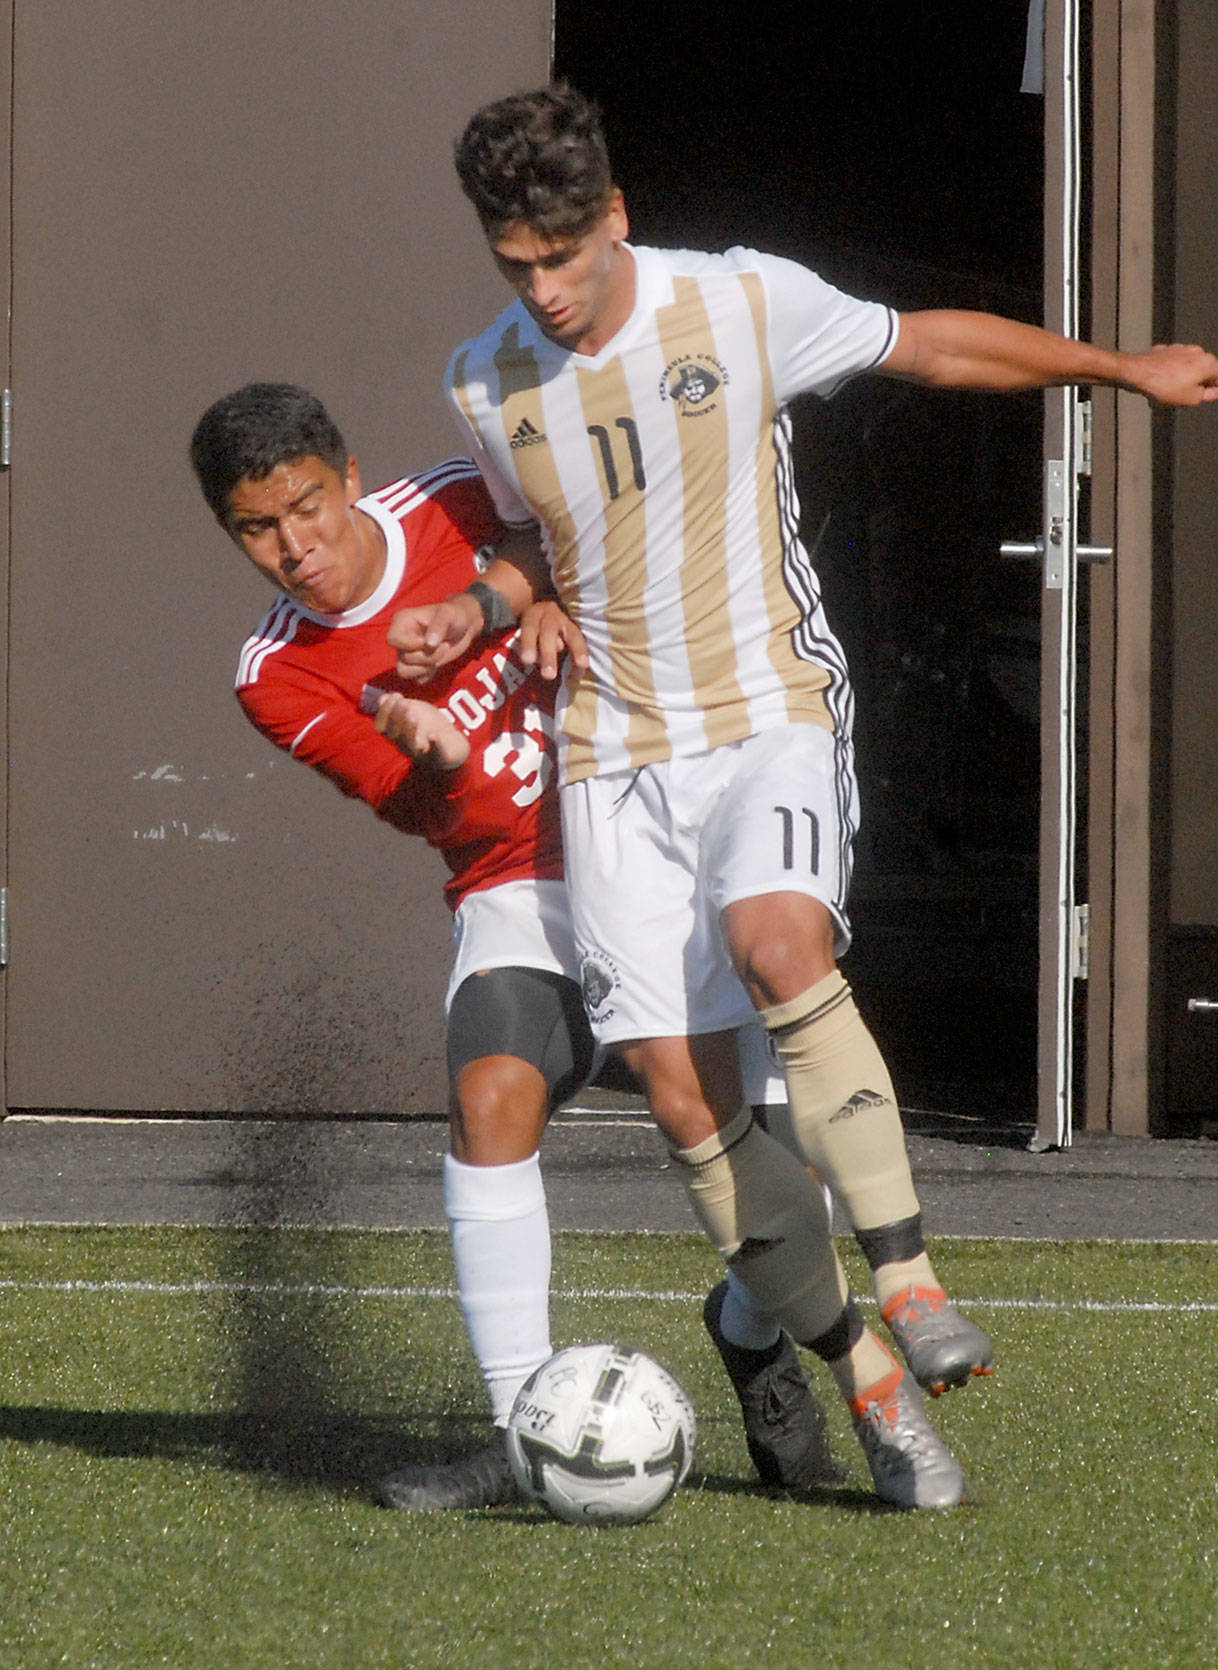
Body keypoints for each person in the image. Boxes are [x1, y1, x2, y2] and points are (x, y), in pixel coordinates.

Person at [389, 84, 1218, 1511]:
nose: (542, 290)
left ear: (616, 219)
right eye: (512, 265)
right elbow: (541, 542)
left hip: (766, 708)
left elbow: (929, 346)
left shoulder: (739, 302)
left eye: (562, 259)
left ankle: (909, 1276)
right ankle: (874, 1387)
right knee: (683, 1103)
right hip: (612, 757)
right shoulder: (485, 379)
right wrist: (486, 604)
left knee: (785, 942)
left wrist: (1118, 368)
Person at [188, 381, 839, 1512]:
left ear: (348, 478)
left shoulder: (453, 495)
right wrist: (432, 755)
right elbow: (418, 808)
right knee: (489, 1091)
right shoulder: (274, 672)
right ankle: (517, 1430)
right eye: (256, 527)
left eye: (305, 508)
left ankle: (747, 1333)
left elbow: (581, 542)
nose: (293, 548)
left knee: (786, 1161)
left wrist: (530, 597)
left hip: (645, 824)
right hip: (515, 883)